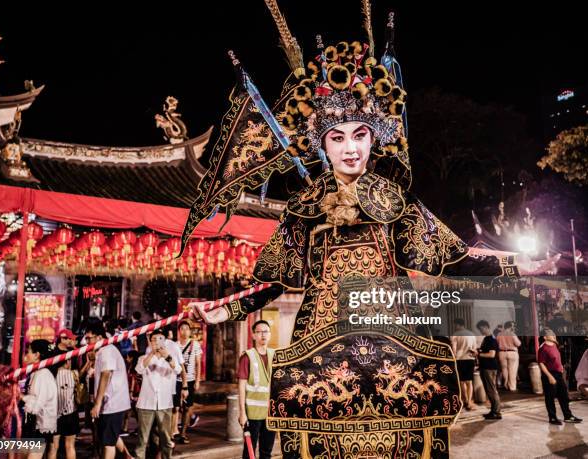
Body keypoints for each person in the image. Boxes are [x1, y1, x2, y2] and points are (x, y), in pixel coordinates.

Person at [187, 13, 560, 454]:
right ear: (322, 145)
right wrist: (225, 311)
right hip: (320, 341)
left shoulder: (393, 200)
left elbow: (453, 255)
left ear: (373, 139)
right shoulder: (304, 208)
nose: (350, 147)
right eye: (337, 137)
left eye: (359, 135)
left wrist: (515, 262)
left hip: (391, 336)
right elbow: (278, 279)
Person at [84, 320, 133, 459]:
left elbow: (106, 374)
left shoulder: (107, 351)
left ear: (99, 337)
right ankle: (127, 456)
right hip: (109, 402)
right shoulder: (102, 351)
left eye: (89, 338)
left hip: (113, 403)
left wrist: (97, 403)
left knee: (107, 443)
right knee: (110, 434)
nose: (87, 341)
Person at [134, 331, 185, 459]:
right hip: (146, 404)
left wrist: (167, 356)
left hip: (165, 403)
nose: (156, 342)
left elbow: (178, 370)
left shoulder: (169, 357)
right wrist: (151, 353)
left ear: (164, 341)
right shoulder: (144, 358)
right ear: (150, 342)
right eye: (154, 339)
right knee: (142, 440)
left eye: (160, 339)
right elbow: (139, 369)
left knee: (166, 439)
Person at [237, 320, 276, 459]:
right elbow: (241, 386)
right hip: (252, 413)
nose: (263, 335)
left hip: (270, 413)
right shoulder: (247, 356)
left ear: (270, 334)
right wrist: (242, 413)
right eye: (259, 332)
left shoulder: (275, 355)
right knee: (249, 452)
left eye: (265, 331)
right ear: (253, 335)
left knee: (266, 452)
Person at [21, 339, 58, 459]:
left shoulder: (43, 375)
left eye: (29, 352)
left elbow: (36, 406)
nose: (26, 355)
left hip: (40, 425)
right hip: (34, 424)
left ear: (37, 355)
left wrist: (20, 397)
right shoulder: (36, 373)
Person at [538, 329, 583, 425]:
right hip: (549, 375)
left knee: (564, 396)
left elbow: (557, 359)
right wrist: (550, 376)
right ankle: (553, 418)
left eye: (553, 333)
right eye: (550, 334)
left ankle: (568, 416)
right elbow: (541, 364)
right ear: (545, 337)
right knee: (550, 398)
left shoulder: (554, 345)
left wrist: (561, 366)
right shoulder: (543, 348)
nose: (553, 335)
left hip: (558, 374)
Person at [174, 321, 202, 443]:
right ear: (179, 331)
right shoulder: (175, 345)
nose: (184, 331)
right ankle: (173, 431)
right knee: (175, 407)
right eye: (182, 329)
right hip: (176, 380)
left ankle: (183, 433)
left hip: (190, 380)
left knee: (187, 407)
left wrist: (197, 380)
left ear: (190, 331)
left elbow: (198, 363)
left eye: (187, 329)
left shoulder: (195, 345)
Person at [50, 358, 80, 459]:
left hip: (55, 415)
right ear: (67, 362)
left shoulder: (52, 375)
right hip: (71, 413)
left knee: (53, 448)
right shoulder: (74, 374)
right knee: (70, 446)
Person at [476, 320, 501, 420]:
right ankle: (494, 411)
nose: (480, 331)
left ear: (486, 327)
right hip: (486, 367)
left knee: (491, 390)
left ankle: (496, 412)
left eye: (481, 329)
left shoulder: (491, 339)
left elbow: (492, 354)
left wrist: (478, 354)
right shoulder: (486, 339)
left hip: (489, 367)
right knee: (490, 390)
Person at [450, 318, 477, 410]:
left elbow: (454, 349)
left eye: (455, 325)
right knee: (469, 382)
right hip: (470, 359)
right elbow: (474, 349)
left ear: (458, 324)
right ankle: (469, 401)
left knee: (461, 381)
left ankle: (465, 400)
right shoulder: (471, 334)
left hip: (459, 359)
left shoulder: (455, 335)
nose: (455, 327)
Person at [496, 321, 521, 391]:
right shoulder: (512, 334)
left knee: (504, 370)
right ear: (510, 327)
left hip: (502, 353)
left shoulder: (499, 334)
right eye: (513, 326)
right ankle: (512, 387)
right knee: (512, 370)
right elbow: (518, 344)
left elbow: (496, 343)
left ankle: (506, 384)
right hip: (512, 353)